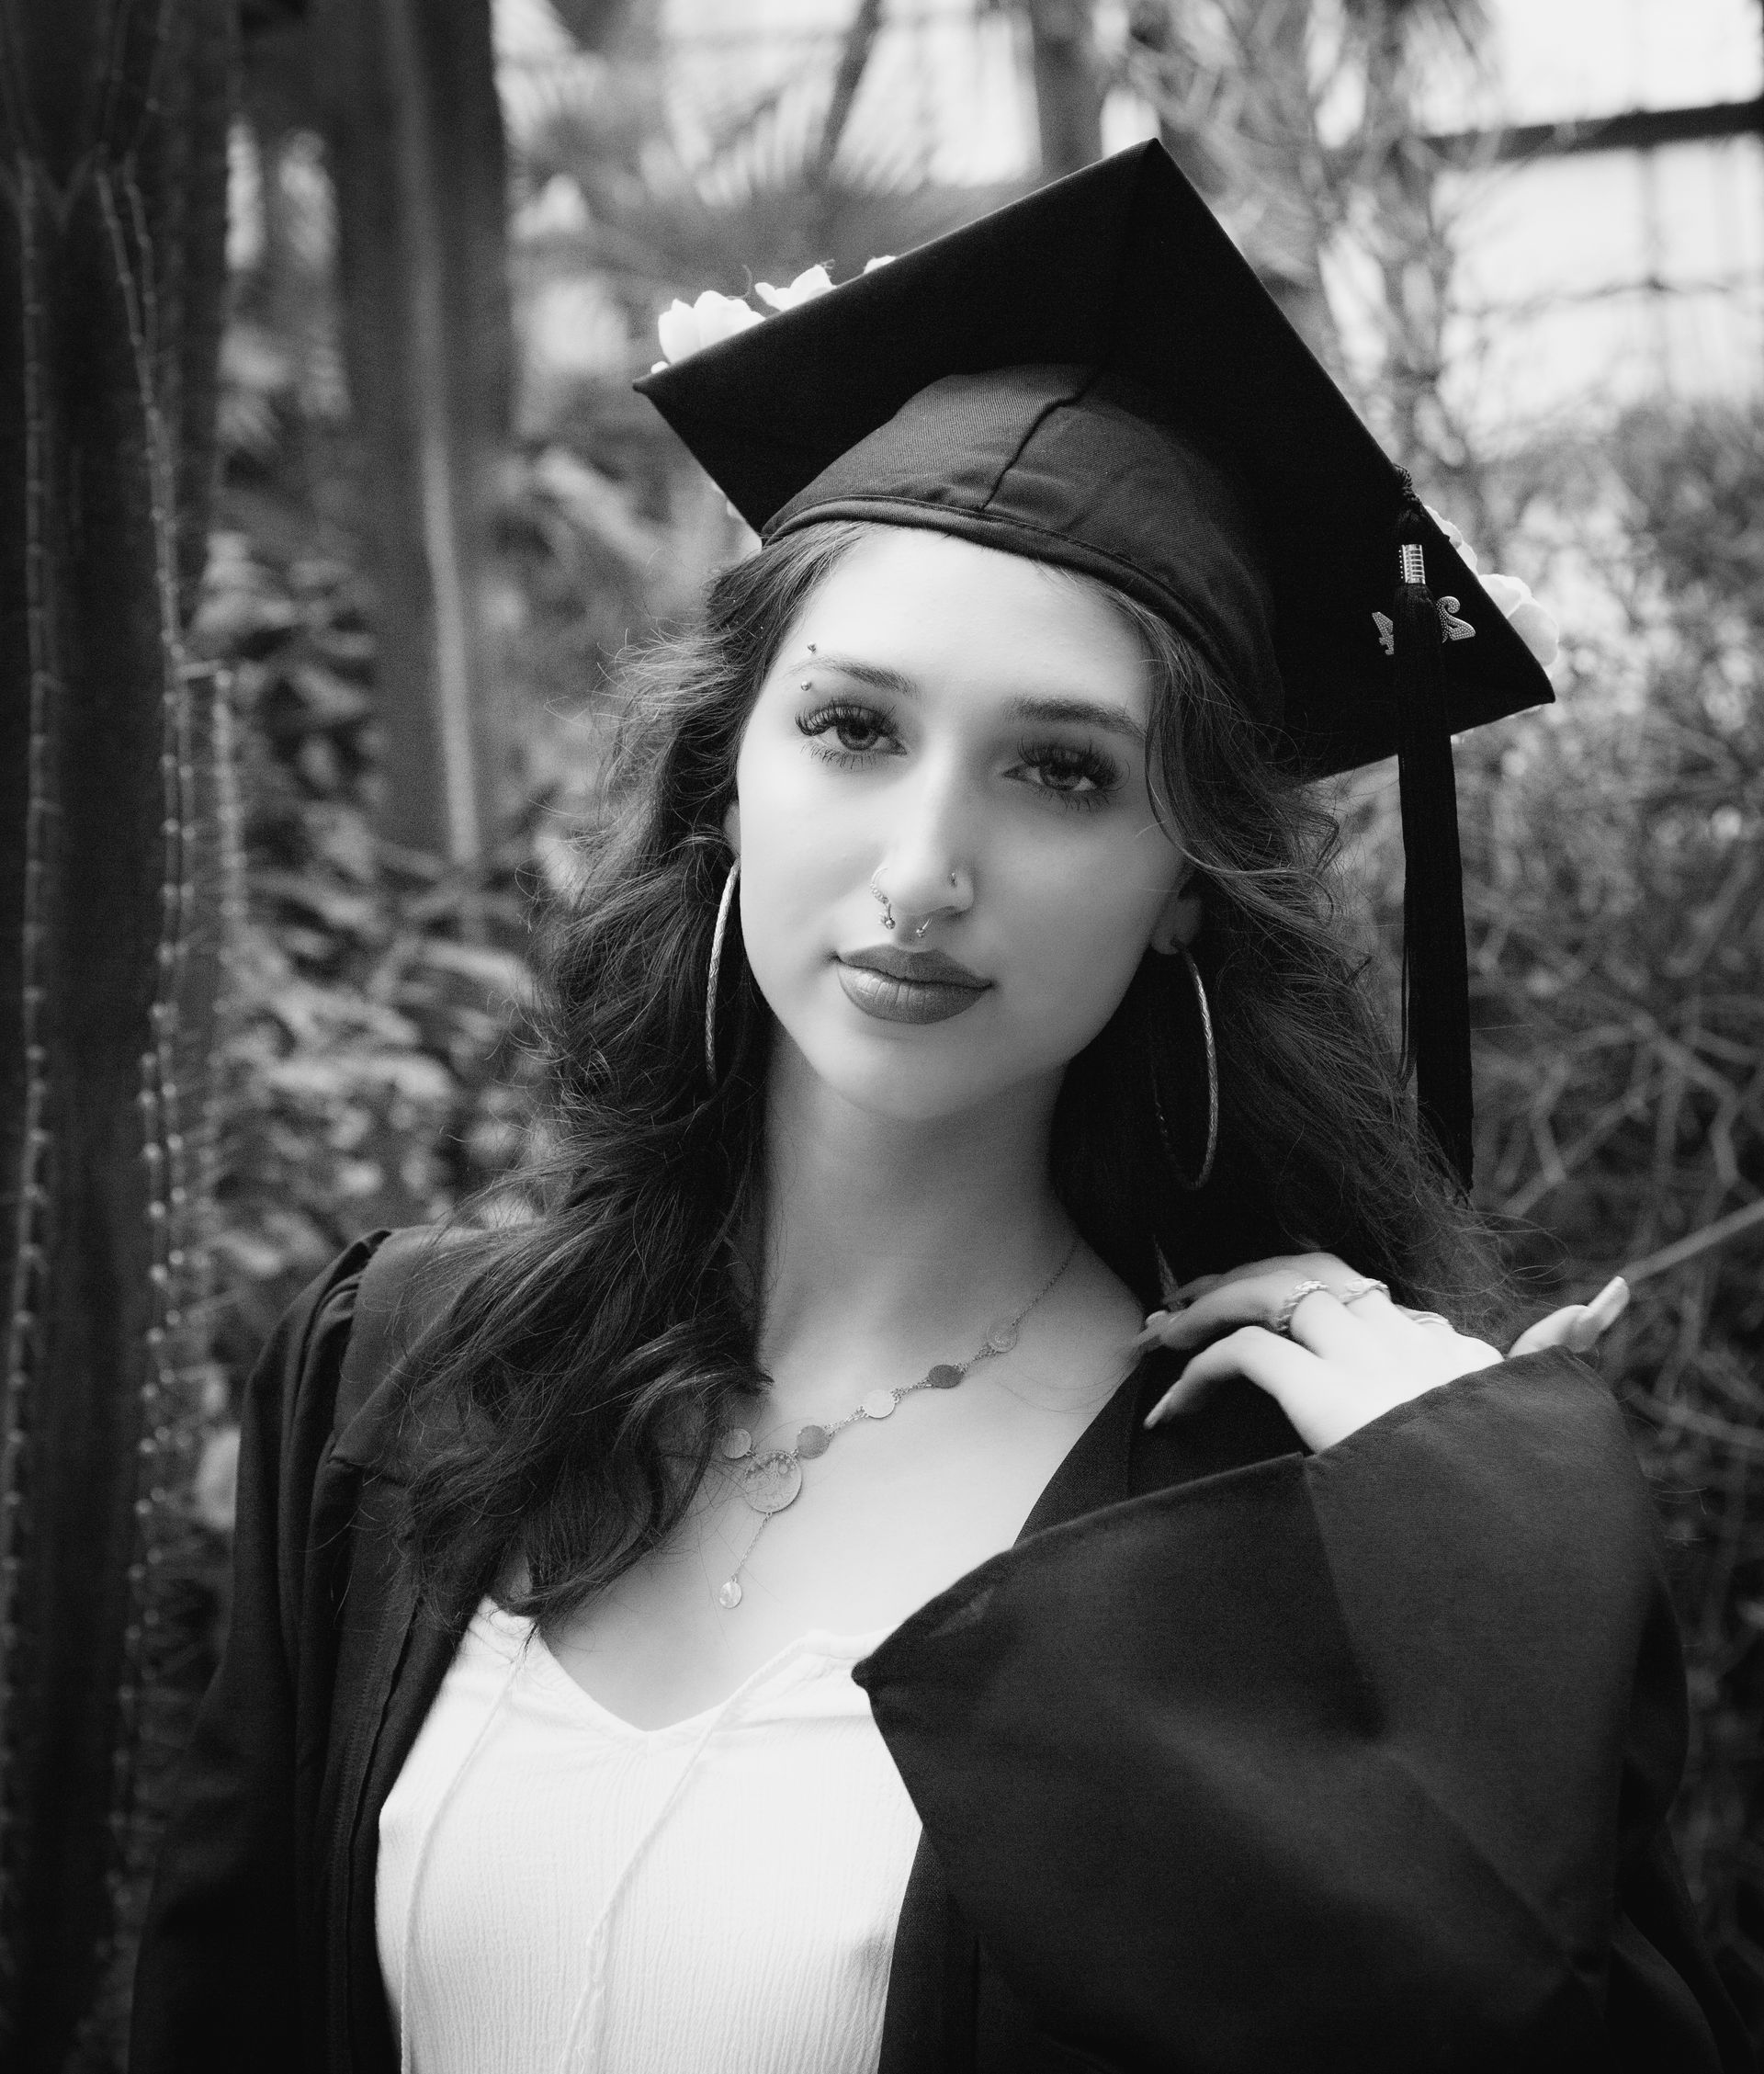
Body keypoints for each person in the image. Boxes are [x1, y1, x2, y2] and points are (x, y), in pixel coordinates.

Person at [130, 142, 1750, 2074]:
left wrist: (1467, 1536)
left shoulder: (1247, 1520)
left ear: (1183, 887)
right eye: (854, 726)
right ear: (729, 780)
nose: (921, 867)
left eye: (1061, 773)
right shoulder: (402, 1381)